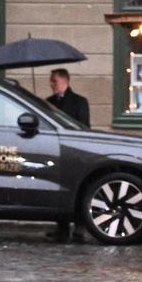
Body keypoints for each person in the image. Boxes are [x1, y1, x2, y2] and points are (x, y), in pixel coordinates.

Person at [46, 68, 90, 241]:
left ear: (65, 81)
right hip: (56, 152)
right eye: (51, 81)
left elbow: (84, 126)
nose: (51, 84)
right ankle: (62, 227)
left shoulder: (79, 101)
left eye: (54, 81)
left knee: (77, 188)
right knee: (60, 186)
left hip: (74, 151)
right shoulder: (49, 102)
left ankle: (79, 227)